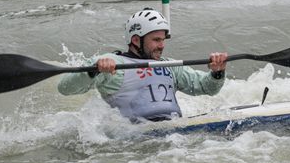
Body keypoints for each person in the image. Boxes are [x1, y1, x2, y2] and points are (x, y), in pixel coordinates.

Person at [58, 8, 228, 122]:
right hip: (135, 138)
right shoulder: (112, 64)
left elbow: (207, 88)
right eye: (156, 40)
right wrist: (93, 71)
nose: (162, 45)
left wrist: (217, 73)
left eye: (162, 40)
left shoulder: (170, 65)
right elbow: (65, 89)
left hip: (173, 131)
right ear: (136, 40)